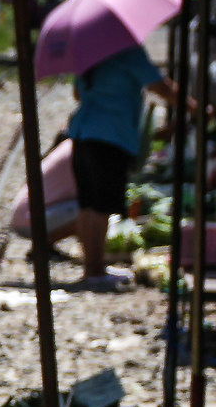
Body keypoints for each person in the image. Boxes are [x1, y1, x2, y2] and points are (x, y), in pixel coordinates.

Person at [63, 39, 182, 288]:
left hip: (82, 132)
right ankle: (95, 273)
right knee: (101, 206)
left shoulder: (89, 51)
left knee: (87, 203)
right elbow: (159, 86)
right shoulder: (127, 50)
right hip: (112, 135)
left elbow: (77, 93)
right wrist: (194, 107)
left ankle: (92, 268)